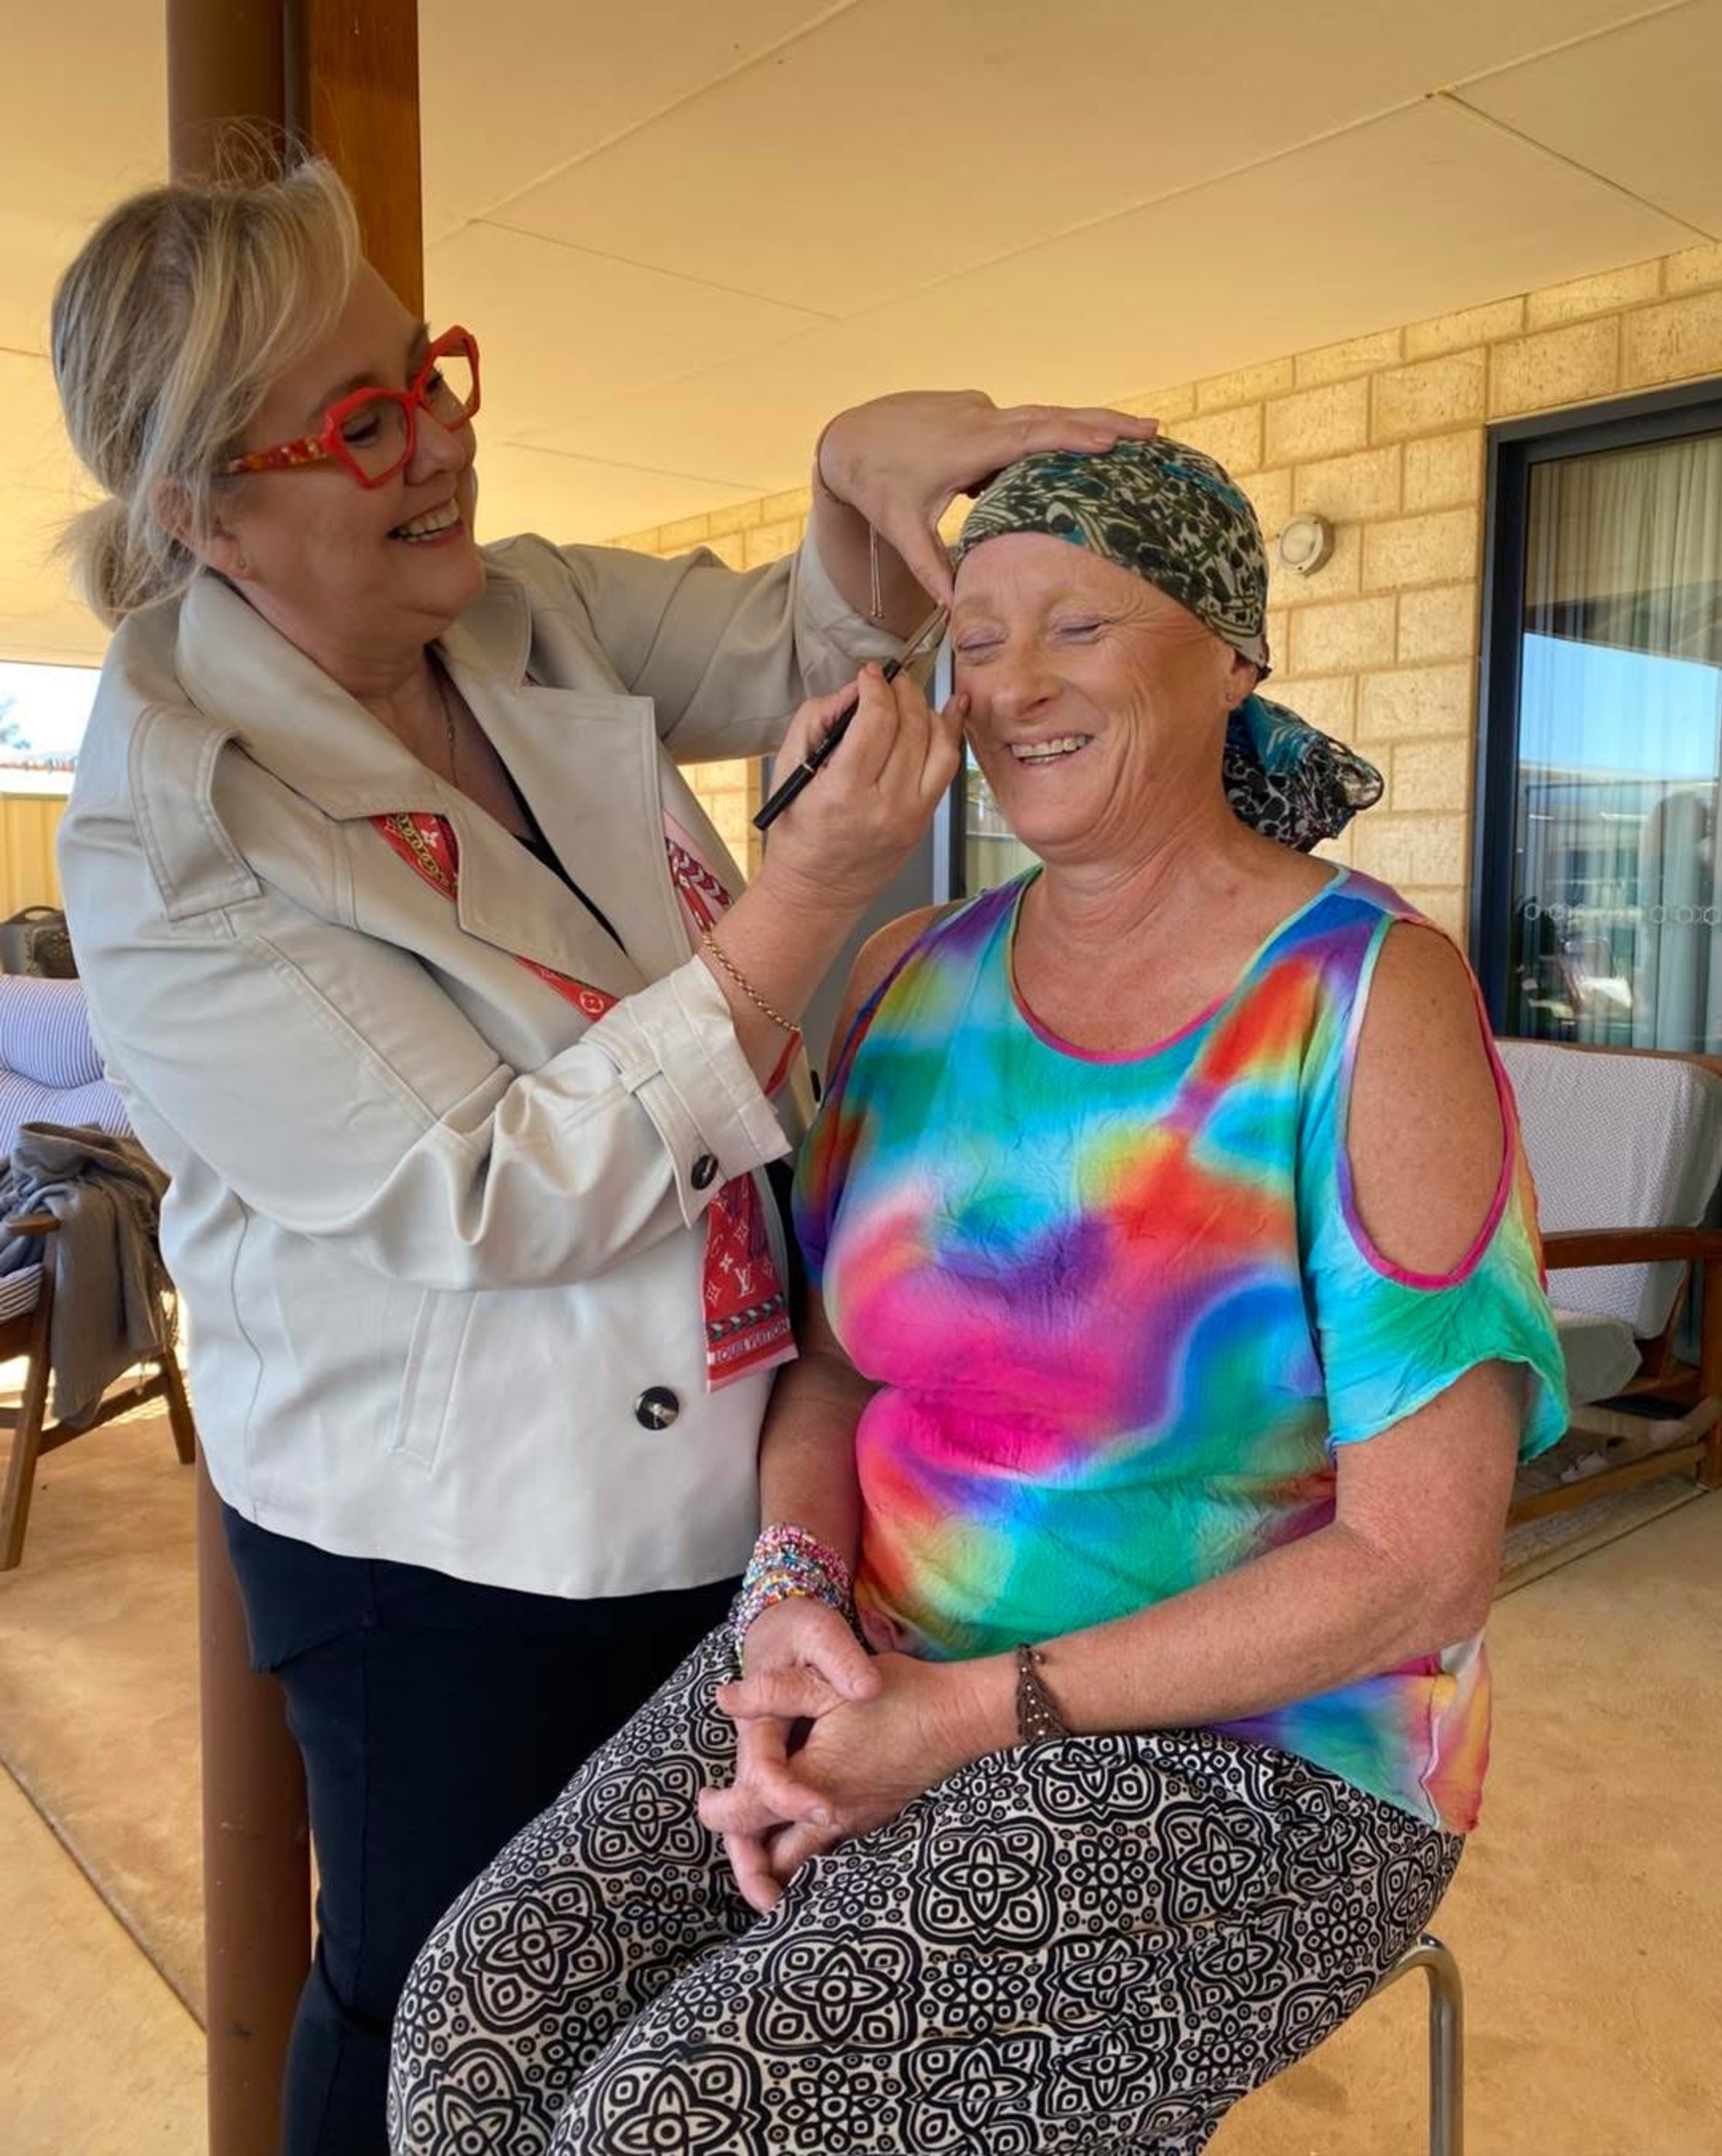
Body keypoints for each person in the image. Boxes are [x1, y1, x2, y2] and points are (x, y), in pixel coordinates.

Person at [47, 150, 1161, 2156]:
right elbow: (483, 1190)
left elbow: (788, 644)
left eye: (433, 371)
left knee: (673, 1976)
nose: (440, 445)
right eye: (362, 420)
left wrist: (846, 467)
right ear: (206, 514)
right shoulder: (170, 828)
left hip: (720, 1472)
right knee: (438, 2000)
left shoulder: (518, 612)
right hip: (444, 1542)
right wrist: (796, 909)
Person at [389, 437, 1567, 2155]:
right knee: (474, 2024)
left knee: (675, 2125)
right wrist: (790, 1589)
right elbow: (841, 1371)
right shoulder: (904, 973)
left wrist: (964, 1719)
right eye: (980, 638)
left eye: (1075, 627)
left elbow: (1419, 1562)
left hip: (1264, 1755)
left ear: (1229, 653)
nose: (1012, 688)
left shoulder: (1366, 996)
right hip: (883, 1650)